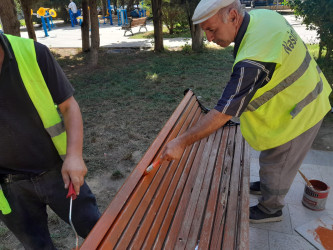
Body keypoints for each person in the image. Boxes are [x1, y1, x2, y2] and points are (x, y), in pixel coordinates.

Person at [161, 0, 332, 223]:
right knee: (273, 156)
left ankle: (272, 209)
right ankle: (269, 184)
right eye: (206, 32)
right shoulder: (262, 18)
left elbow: (224, 112)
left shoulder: (254, 58)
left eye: (212, 29)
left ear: (233, 16)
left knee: (279, 160)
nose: (209, 38)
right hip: (298, 97)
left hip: (299, 113)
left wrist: (181, 142)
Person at [0, 32, 100, 249]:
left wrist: (74, 155)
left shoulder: (33, 53)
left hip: (59, 172)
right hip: (9, 189)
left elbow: (68, 106)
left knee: (98, 232)